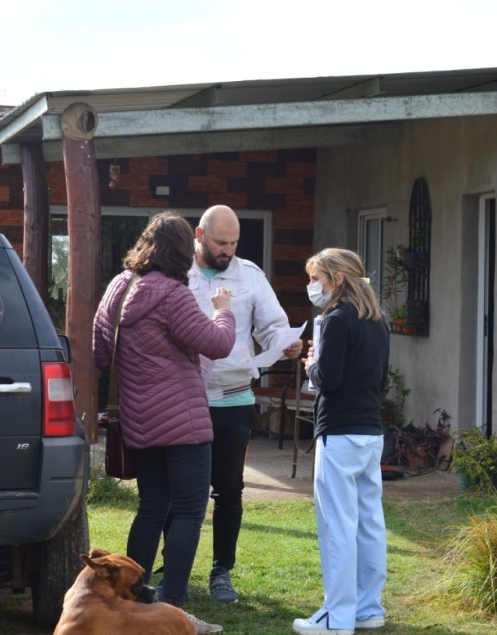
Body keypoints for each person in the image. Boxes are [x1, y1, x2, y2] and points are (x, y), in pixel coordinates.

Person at [93, 212, 236, 635]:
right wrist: (222, 311)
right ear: (180, 252)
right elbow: (218, 344)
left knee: (152, 507)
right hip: (184, 421)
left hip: (138, 419)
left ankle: (131, 599)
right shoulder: (173, 294)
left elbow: (103, 356)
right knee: (190, 511)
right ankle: (172, 606)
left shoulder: (119, 288)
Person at [167, 204, 302, 604]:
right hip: (185, 398)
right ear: (199, 235)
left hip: (233, 397)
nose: (227, 250)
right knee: (178, 492)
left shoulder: (250, 276)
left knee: (229, 489)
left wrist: (286, 343)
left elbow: (273, 325)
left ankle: (221, 572)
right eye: (220, 242)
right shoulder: (175, 273)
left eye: (234, 243)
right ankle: (173, 571)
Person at [294, 247, 390, 635]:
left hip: (339, 432)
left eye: (316, 278)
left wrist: (312, 366)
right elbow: (380, 381)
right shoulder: (377, 321)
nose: (312, 286)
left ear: (338, 280)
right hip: (370, 432)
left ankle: (337, 617)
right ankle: (369, 609)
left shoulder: (336, 318)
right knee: (369, 524)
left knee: (337, 524)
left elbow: (328, 380)